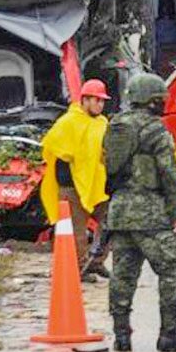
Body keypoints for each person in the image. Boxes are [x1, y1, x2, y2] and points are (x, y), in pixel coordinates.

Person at [104, 73, 176, 352]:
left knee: (122, 275)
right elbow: (169, 173)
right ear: (151, 101)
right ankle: (168, 335)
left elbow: (108, 164)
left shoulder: (115, 127)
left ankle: (121, 336)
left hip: (119, 213)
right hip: (150, 213)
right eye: (160, 99)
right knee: (168, 271)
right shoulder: (156, 131)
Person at [40, 79, 111, 282]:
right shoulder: (67, 122)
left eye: (102, 101)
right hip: (71, 187)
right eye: (97, 100)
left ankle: (96, 261)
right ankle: (81, 268)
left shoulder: (102, 123)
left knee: (110, 221)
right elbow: (55, 150)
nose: (100, 105)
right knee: (76, 233)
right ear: (85, 100)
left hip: (97, 185)